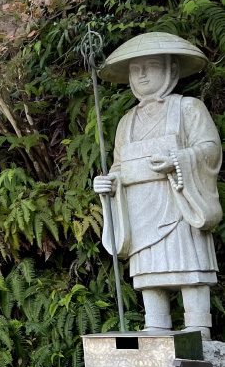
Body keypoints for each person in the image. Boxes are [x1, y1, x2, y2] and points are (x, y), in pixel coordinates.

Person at [93, 32, 221, 340]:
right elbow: (119, 167)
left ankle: (198, 329)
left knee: (190, 270)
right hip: (139, 206)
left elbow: (211, 149)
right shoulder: (126, 121)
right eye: (136, 69)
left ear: (171, 71)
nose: (143, 74)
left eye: (152, 65)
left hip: (179, 197)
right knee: (149, 273)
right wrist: (108, 183)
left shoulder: (187, 108)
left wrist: (179, 159)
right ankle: (156, 326)